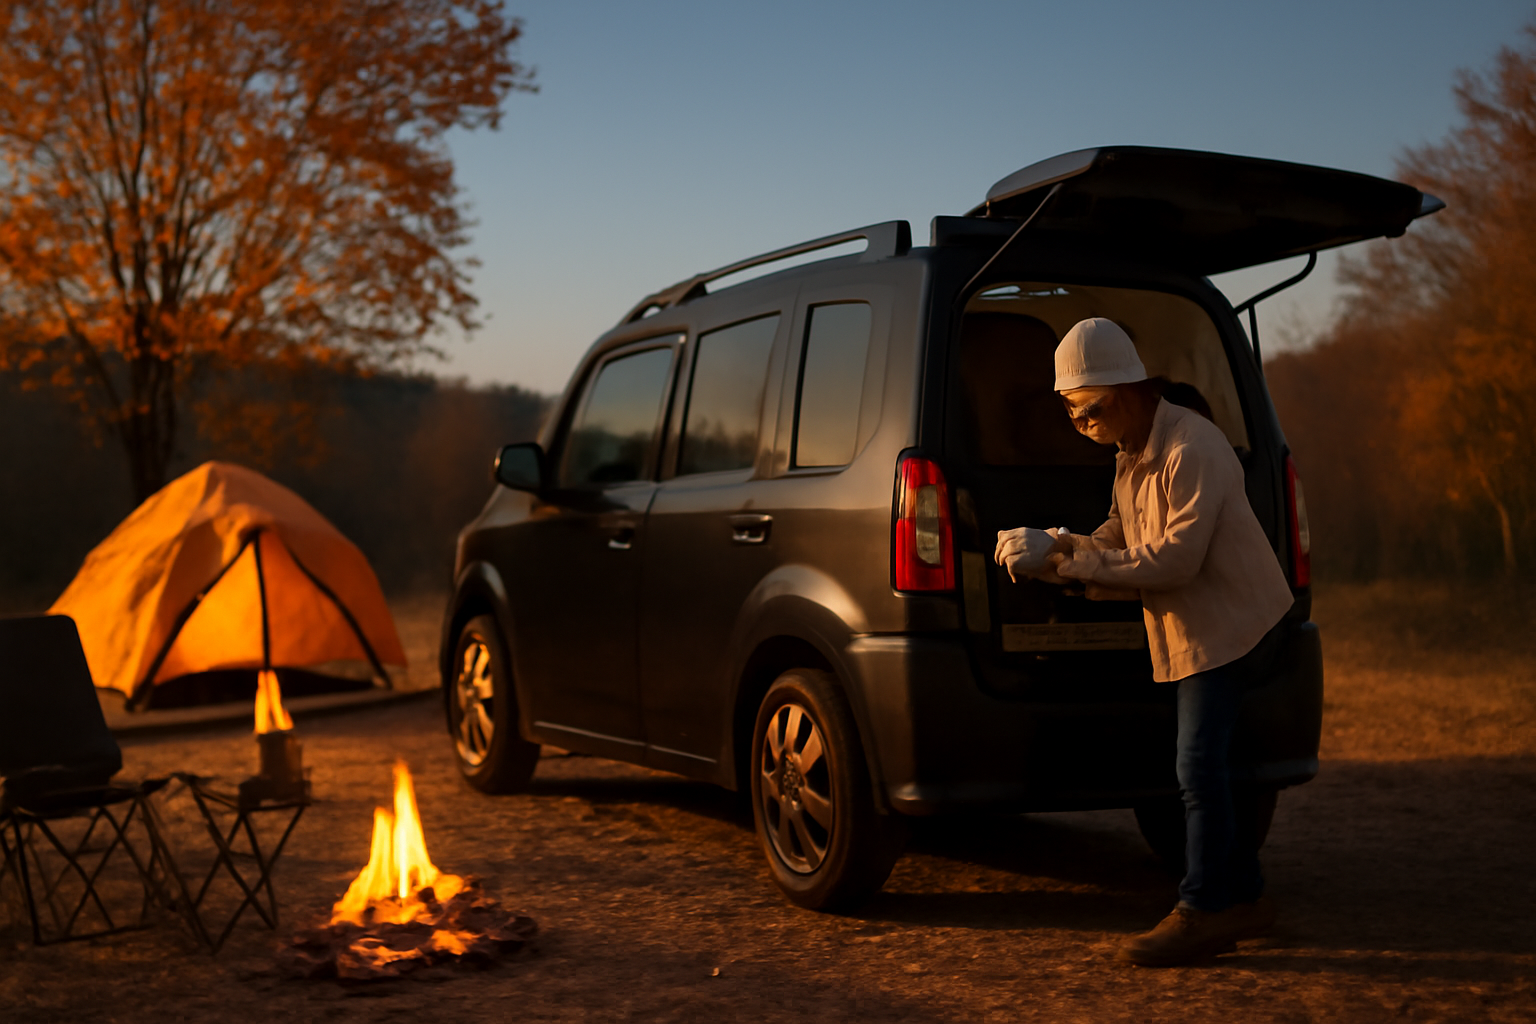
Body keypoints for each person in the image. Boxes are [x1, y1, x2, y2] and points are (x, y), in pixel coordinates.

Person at [994, 317, 1295, 967]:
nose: (1084, 425)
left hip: (1237, 623)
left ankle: (1204, 909)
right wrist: (1057, 546)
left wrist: (1072, 565)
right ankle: (1245, 895)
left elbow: (1172, 562)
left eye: (1089, 411)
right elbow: (1118, 534)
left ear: (1128, 389)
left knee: (1196, 767)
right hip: (1197, 622)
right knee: (1210, 767)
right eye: (1073, 416)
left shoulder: (1194, 449)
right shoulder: (1132, 453)